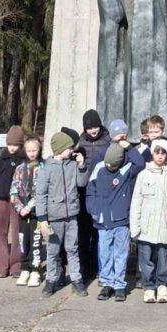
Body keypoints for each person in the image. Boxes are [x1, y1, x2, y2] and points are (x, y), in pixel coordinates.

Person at [85, 139, 145, 301]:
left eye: (113, 165)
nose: (110, 167)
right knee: (105, 254)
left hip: (121, 221)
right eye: (108, 164)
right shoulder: (99, 168)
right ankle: (107, 284)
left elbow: (140, 163)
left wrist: (129, 147)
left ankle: (119, 285)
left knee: (120, 254)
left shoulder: (127, 170)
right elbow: (90, 191)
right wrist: (94, 210)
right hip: (103, 221)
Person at [35, 131, 88, 297]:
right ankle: (50, 281)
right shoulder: (46, 169)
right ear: (60, 149)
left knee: (73, 249)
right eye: (69, 148)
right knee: (53, 251)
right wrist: (43, 219)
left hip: (72, 215)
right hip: (54, 217)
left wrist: (82, 166)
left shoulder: (72, 165)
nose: (72, 150)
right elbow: (40, 195)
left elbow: (81, 183)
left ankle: (76, 279)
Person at [130, 138, 167, 303]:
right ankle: (149, 286)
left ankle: (163, 285)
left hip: (165, 224)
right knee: (146, 258)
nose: (160, 156)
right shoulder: (143, 175)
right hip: (146, 225)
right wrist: (135, 226)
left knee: (164, 257)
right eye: (157, 153)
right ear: (152, 154)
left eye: (163, 153)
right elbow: (136, 201)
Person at [0, 125, 26, 278]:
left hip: (18, 200)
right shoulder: (2, 159)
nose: (12, 148)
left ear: (21, 144)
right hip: (1, 200)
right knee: (1, 232)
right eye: (9, 144)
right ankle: (1, 266)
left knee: (17, 233)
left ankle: (16, 266)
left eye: (15, 145)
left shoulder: (24, 160)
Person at [73, 109, 109, 281]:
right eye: (89, 128)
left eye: (95, 126)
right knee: (83, 232)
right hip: (84, 191)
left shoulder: (108, 141)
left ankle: (97, 266)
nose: (93, 130)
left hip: (102, 192)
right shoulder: (80, 143)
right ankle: (84, 267)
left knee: (98, 233)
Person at [10, 136, 45, 287]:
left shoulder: (43, 167)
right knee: (23, 241)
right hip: (22, 212)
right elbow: (13, 189)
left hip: (37, 212)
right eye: (29, 150)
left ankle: (35, 270)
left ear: (39, 150)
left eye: (34, 150)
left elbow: (42, 192)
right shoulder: (20, 168)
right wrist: (19, 207)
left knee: (36, 241)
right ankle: (25, 268)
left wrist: (29, 206)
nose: (31, 153)